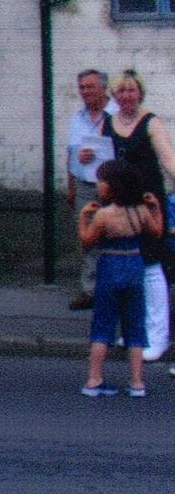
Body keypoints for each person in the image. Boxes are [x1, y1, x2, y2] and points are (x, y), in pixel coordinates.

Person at [102, 69, 175, 363]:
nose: (126, 96)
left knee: (152, 268)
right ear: (114, 96)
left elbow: (168, 159)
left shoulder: (151, 123)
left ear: (140, 94)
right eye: (121, 91)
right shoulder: (108, 123)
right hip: (120, 205)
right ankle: (135, 331)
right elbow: (98, 158)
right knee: (127, 267)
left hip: (148, 204)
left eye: (131, 90)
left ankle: (157, 338)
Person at [79, 159, 163, 397]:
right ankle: (137, 382)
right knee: (136, 325)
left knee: (103, 325)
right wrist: (155, 207)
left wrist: (83, 218)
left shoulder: (104, 215)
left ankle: (95, 379)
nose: (99, 185)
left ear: (112, 186)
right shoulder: (141, 211)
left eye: (102, 181)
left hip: (110, 265)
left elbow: (87, 242)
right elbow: (157, 232)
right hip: (134, 265)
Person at [66, 69, 118, 310]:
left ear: (103, 88)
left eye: (90, 87)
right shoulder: (78, 118)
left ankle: (114, 289)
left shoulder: (116, 114)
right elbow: (70, 153)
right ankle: (89, 290)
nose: (85, 92)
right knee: (87, 236)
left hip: (113, 186)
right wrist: (72, 185)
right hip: (85, 184)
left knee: (114, 234)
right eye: (82, 87)